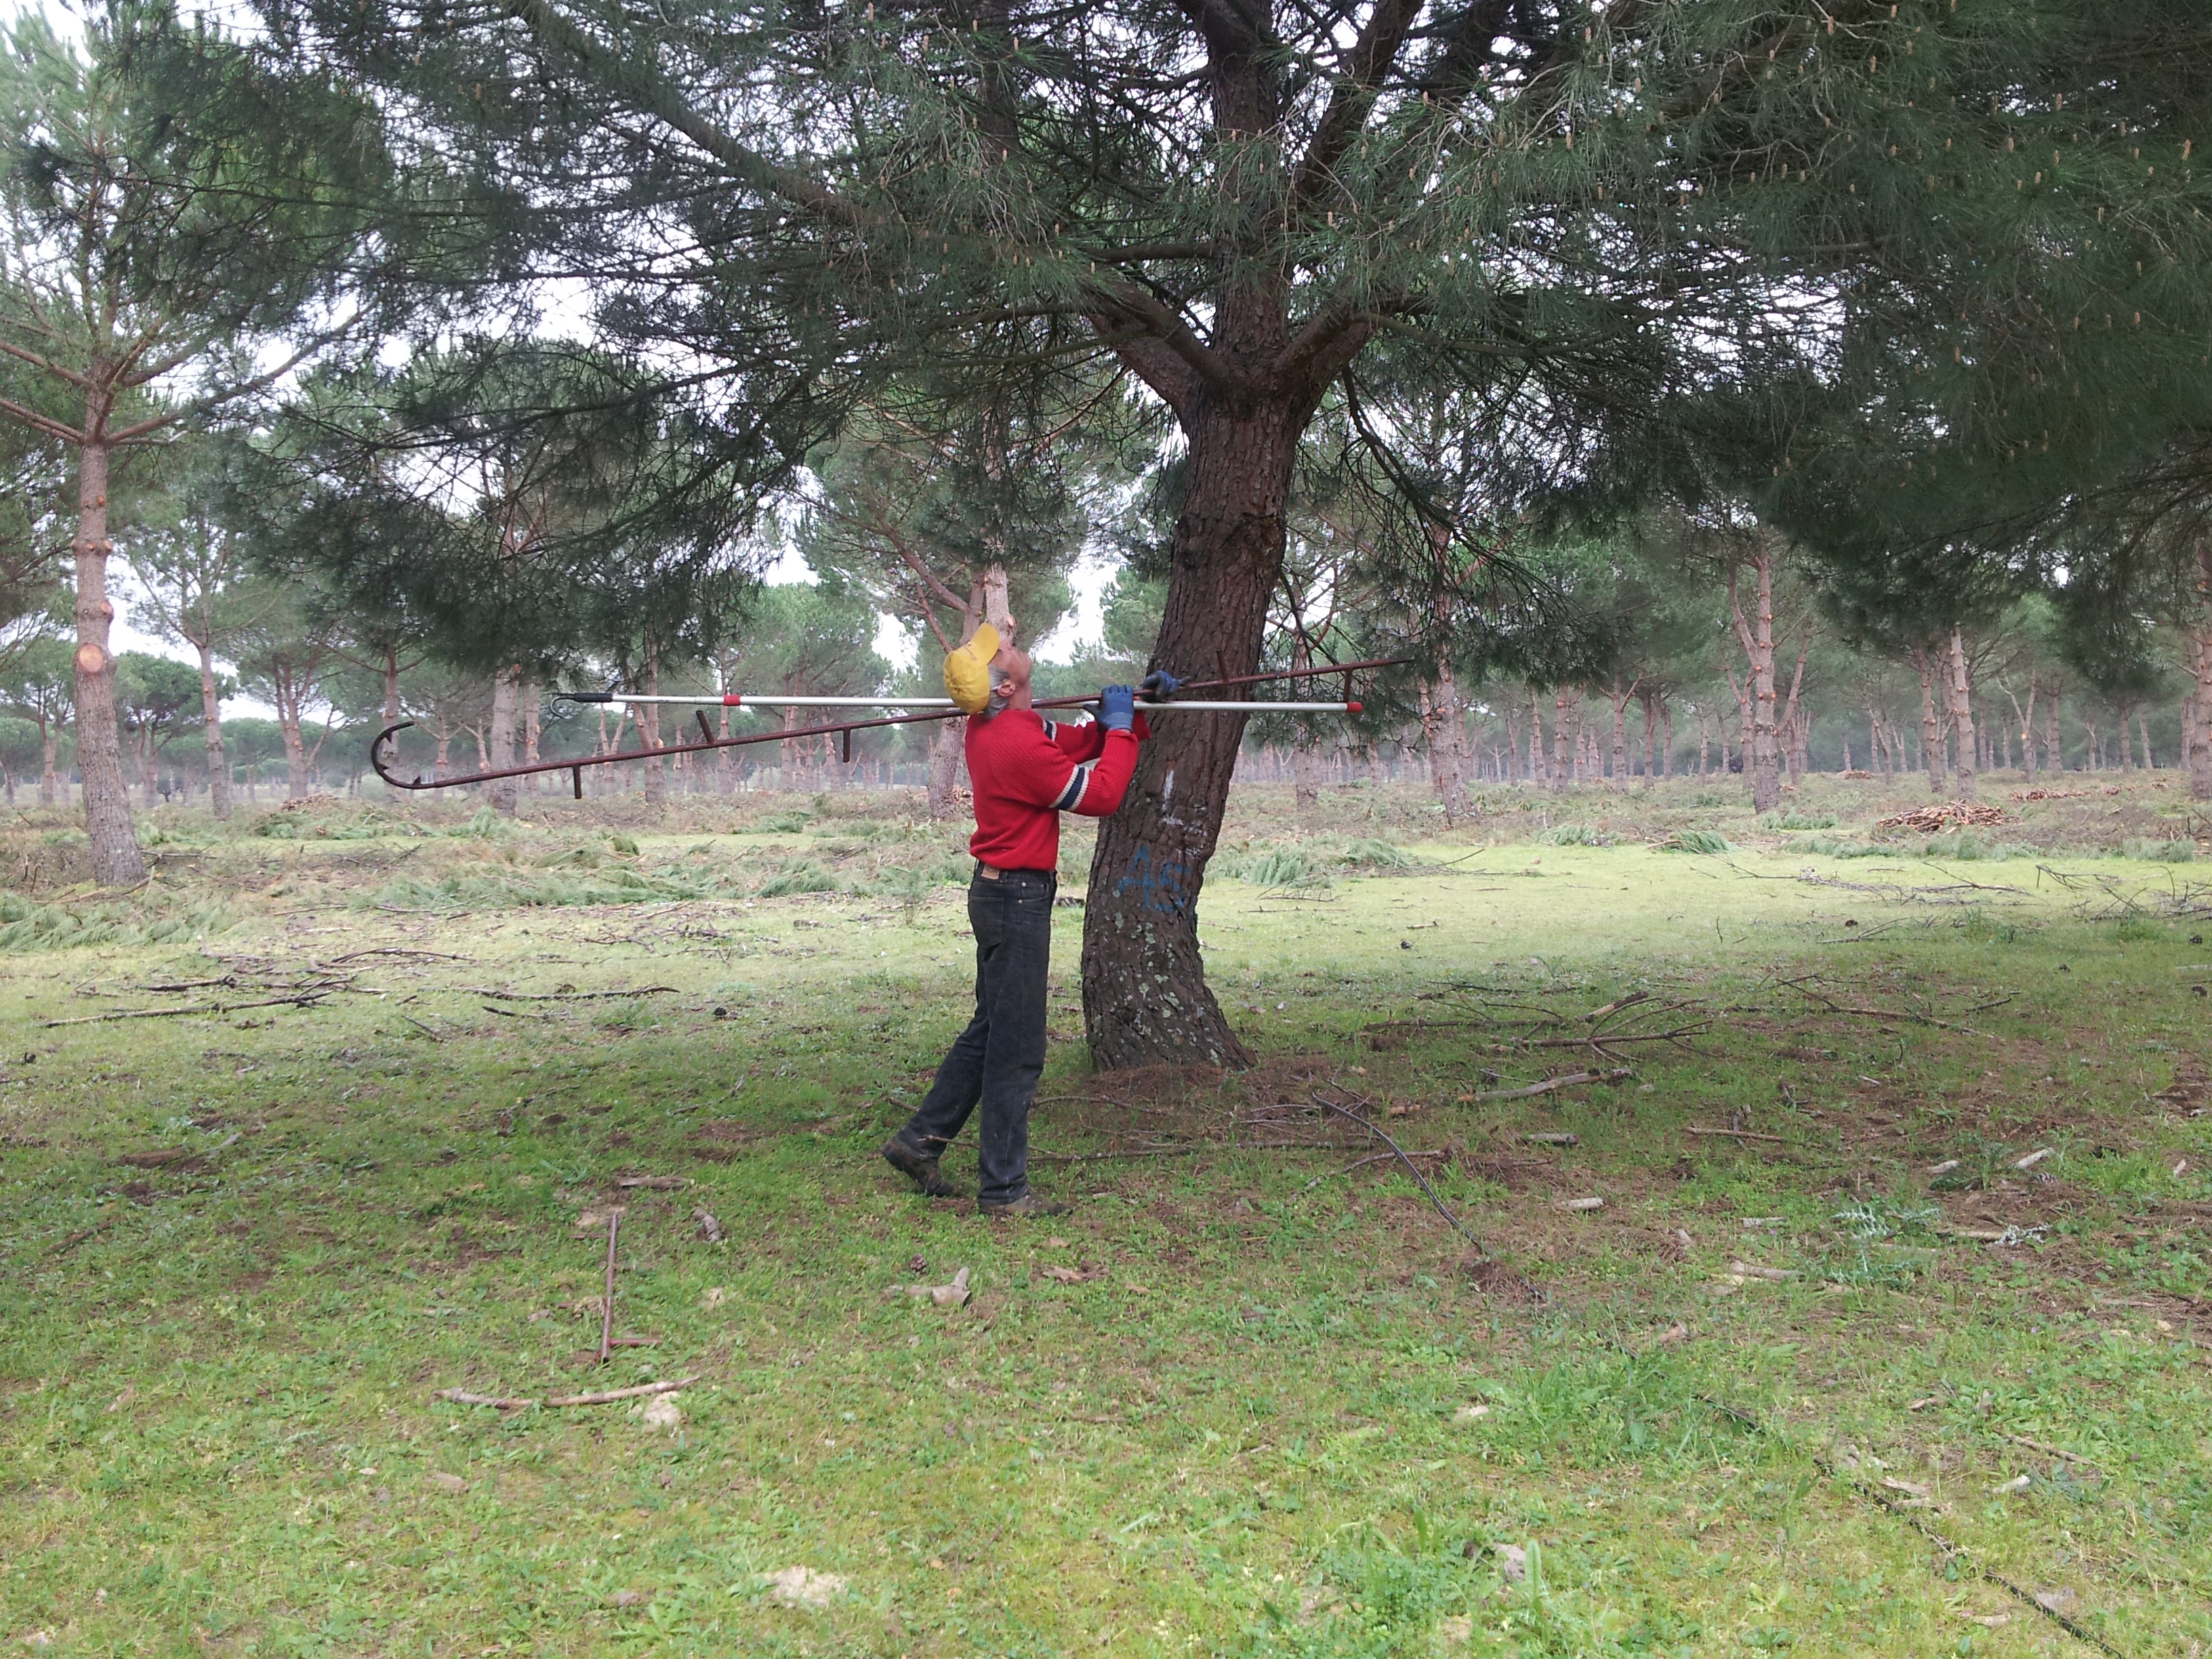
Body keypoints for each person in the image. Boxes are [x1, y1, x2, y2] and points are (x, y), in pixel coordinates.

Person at [881, 619, 1172, 1216]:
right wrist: (1118, 731)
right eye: (1003, 651)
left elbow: (1071, 743)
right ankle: (1004, 1191)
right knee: (1017, 1046)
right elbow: (1102, 794)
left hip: (999, 893)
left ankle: (919, 1141)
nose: (1010, 646)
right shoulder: (1013, 742)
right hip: (1015, 900)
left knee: (992, 1027)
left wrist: (1131, 710)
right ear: (1006, 685)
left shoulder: (1003, 723)